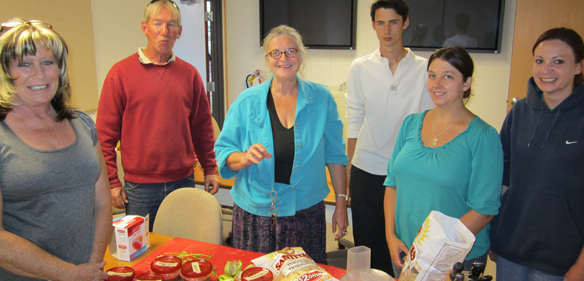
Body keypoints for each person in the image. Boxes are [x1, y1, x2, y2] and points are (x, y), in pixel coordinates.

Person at [214, 25, 349, 264]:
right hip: (255, 214)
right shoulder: (247, 101)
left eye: (290, 51)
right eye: (276, 53)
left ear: (301, 56)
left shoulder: (321, 98)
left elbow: (336, 155)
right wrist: (244, 157)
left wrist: (341, 204)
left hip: (306, 213)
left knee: (305, 276)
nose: (283, 58)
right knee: (256, 274)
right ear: (267, 59)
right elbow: (224, 152)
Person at [0, 19, 111, 280]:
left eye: (48, 62)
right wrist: (69, 274)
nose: (39, 74)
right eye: (24, 64)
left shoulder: (82, 124)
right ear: (6, 72)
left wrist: (91, 267)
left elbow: (102, 202)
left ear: (60, 69)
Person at [96, 0, 220, 230]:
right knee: (143, 253)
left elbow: (202, 128)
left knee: (183, 249)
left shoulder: (190, 75)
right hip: (140, 188)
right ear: (145, 28)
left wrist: (210, 169)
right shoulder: (120, 74)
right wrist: (112, 181)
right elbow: (104, 136)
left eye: (172, 25)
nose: (165, 32)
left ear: (179, 31)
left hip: (183, 181)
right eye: (158, 24)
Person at [384, 46, 503, 276]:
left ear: (466, 83)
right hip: (406, 250)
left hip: (455, 258)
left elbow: (484, 209)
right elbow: (392, 184)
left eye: (448, 76)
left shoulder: (483, 136)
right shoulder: (411, 123)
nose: (437, 83)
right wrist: (391, 235)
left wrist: (432, 252)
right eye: (432, 75)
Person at [345, 0, 434, 275]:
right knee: (370, 253)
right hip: (367, 171)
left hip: (408, 173)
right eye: (380, 23)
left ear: (405, 23)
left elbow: (430, 121)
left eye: (393, 22)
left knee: (408, 251)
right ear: (373, 25)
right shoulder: (360, 67)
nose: (387, 30)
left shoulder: (426, 67)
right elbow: (354, 119)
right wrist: (350, 172)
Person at [490, 27, 584, 281]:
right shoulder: (519, 112)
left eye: (559, 62)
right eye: (540, 61)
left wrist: (581, 265)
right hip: (511, 248)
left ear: (578, 67)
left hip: (561, 260)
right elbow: (502, 178)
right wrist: (494, 234)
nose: (546, 70)